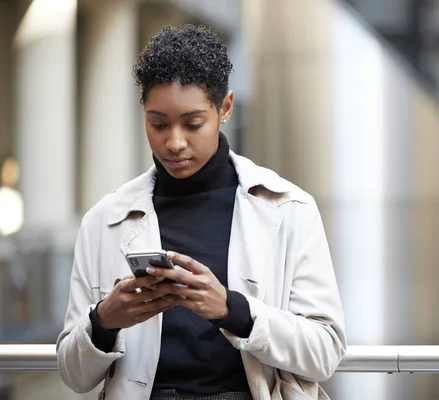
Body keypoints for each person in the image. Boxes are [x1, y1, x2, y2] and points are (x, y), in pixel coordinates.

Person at [56, 24, 346, 400]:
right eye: (157, 123)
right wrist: (104, 320)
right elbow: (74, 375)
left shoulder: (289, 209)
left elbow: (324, 353)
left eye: (193, 124)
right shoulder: (104, 220)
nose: (174, 142)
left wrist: (233, 310)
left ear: (225, 108)